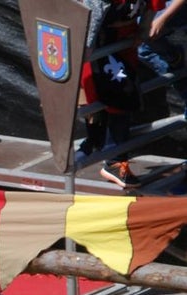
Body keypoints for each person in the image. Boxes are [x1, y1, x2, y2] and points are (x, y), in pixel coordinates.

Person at [78, 0, 143, 188]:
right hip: (98, 36)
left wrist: (144, 26)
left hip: (122, 38)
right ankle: (107, 154)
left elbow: (153, 5)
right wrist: (88, 44)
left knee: (122, 98)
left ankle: (113, 157)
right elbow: (93, 7)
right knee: (98, 96)